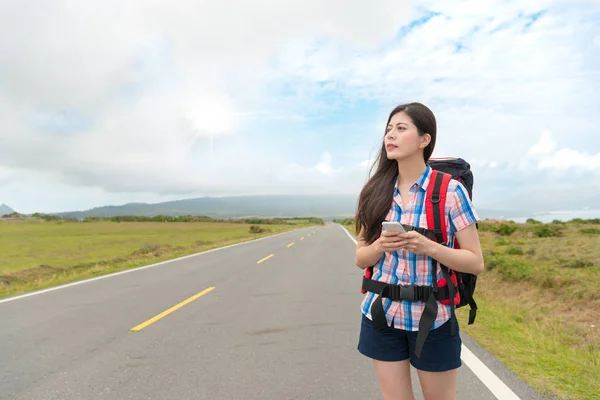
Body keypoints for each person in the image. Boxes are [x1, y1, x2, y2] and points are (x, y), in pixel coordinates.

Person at [354, 102, 484, 400]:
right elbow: (361, 257)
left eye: (401, 129)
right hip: (381, 314)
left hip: (433, 317)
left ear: (425, 140)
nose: (391, 136)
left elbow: (475, 262)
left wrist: (429, 247)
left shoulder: (450, 191)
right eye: (388, 129)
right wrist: (379, 246)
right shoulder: (373, 191)